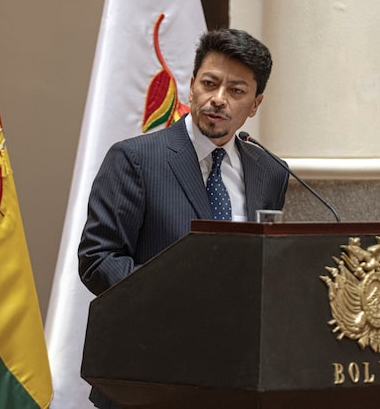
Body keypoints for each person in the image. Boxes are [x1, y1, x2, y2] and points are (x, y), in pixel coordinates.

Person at [78, 28, 289, 408]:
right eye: (210, 83)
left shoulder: (270, 170)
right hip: (147, 375)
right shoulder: (135, 160)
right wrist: (179, 304)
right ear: (191, 86)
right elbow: (98, 258)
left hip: (235, 377)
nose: (218, 100)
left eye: (237, 92)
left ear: (255, 104)